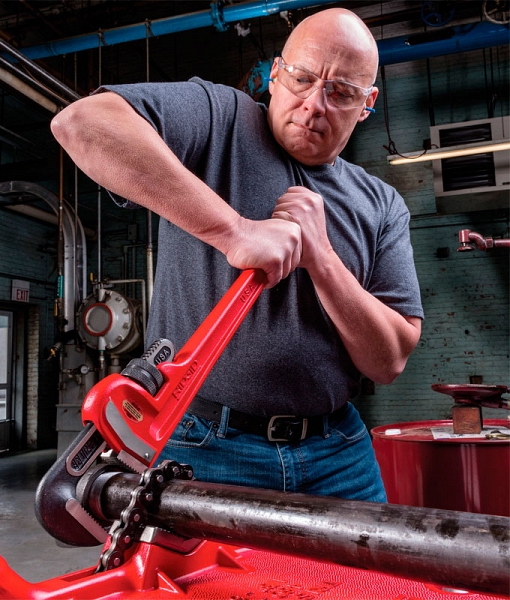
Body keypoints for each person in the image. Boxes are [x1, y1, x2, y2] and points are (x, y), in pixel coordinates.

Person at [51, 7, 423, 502]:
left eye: (341, 93)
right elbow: (82, 123)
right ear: (275, 73)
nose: (314, 105)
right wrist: (234, 231)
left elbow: (389, 360)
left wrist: (321, 257)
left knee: (375, 559)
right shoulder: (220, 119)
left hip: (339, 454)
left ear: (367, 103)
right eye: (302, 79)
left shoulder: (382, 203)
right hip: (202, 444)